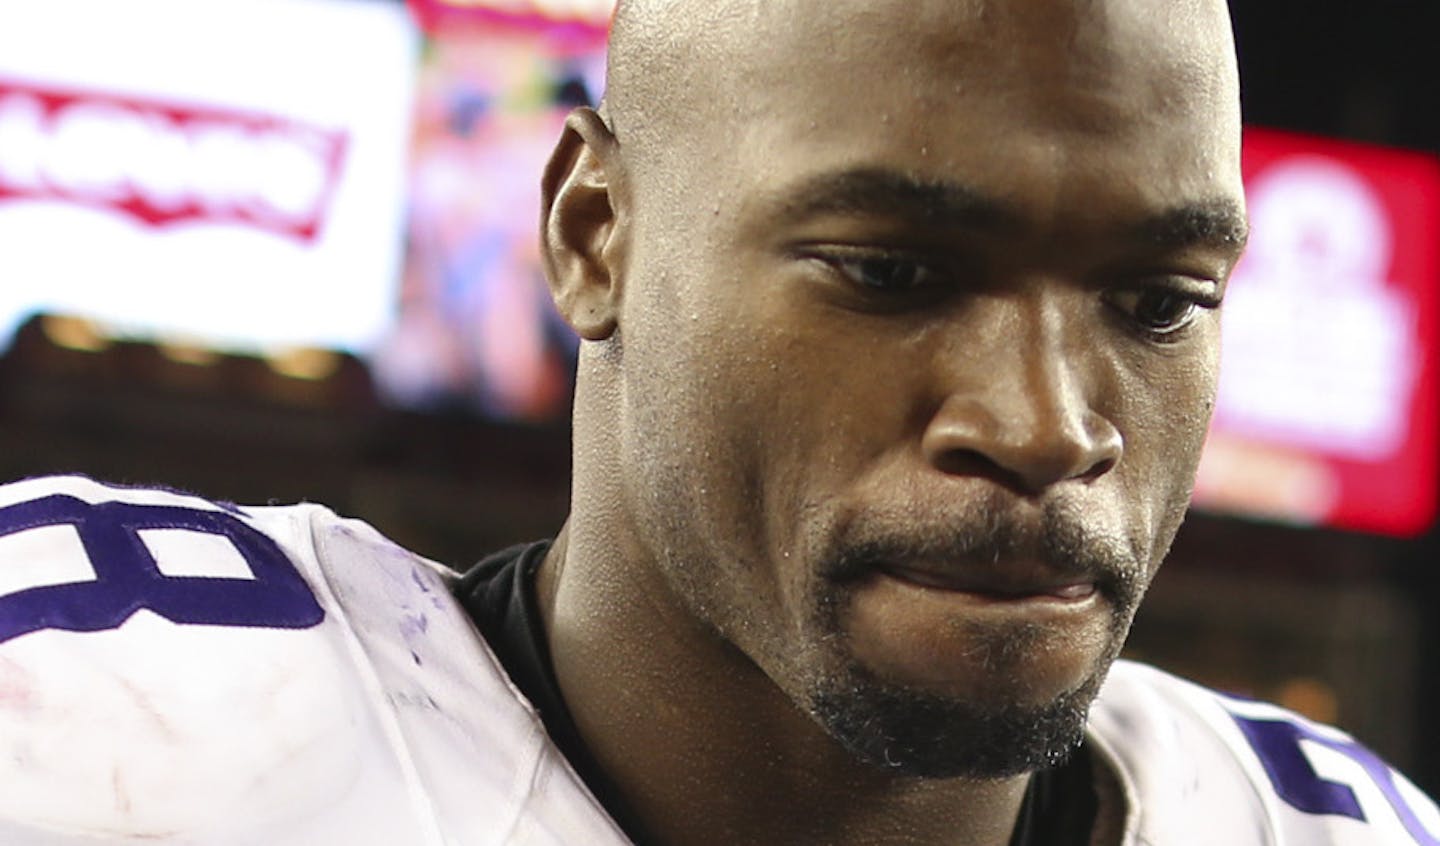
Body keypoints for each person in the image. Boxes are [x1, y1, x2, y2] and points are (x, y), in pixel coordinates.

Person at [0, 0, 1436, 843]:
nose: (1050, 424)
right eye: (894, 272)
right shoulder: (88, 725)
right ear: (593, 230)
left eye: (1160, 301)